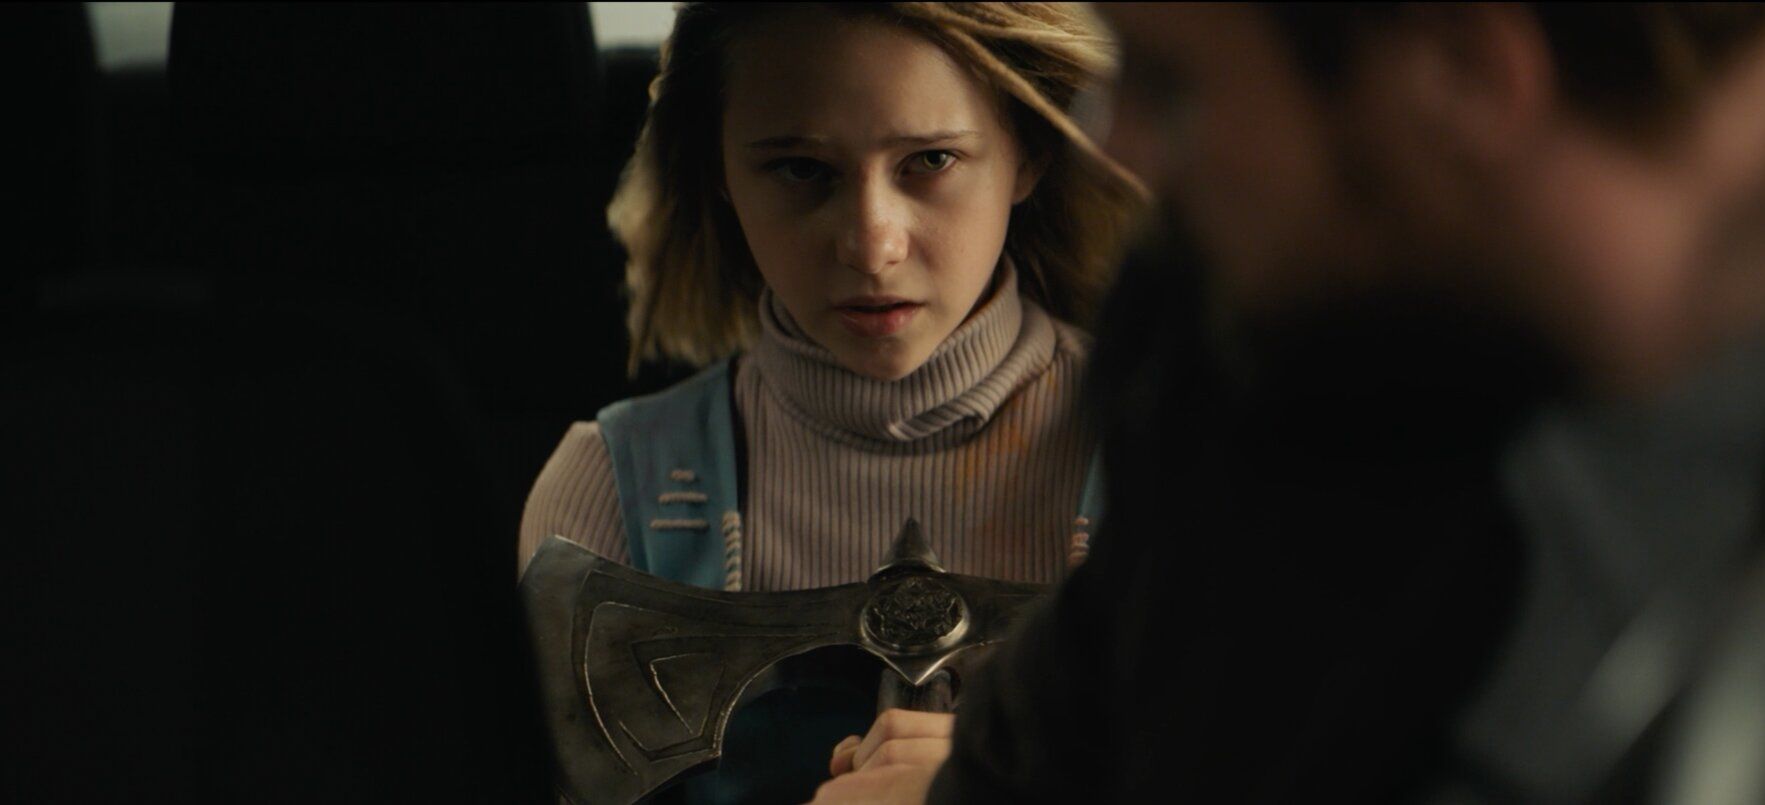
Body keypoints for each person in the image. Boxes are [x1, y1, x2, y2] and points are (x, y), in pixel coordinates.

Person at [810, 3, 1765, 803]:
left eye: (1171, 87)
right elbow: (1068, 722)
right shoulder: (1238, 318)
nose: (1112, 145)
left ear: (1462, 75)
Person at [517, 3, 1145, 801]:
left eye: (930, 160)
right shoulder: (607, 495)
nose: (871, 245)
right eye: (801, 169)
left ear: (1028, 152)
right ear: (717, 168)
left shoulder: (1191, 460)